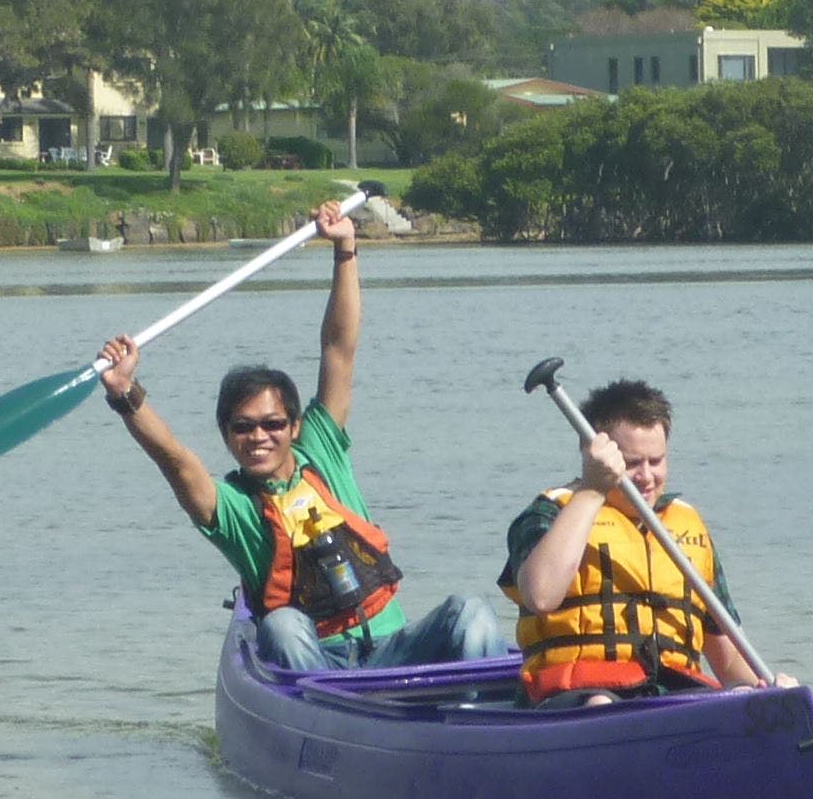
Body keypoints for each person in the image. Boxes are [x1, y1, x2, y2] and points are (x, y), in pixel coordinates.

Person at [100, 198, 511, 670]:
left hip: (393, 651)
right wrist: (125, 392)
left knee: (471, 611)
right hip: (320, 663)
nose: (259, 436)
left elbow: (339, 349)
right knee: (279, 624)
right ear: (227, 434)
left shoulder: (320, 446)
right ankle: (332, 716)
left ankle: (480, 723)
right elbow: (173, 458)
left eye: (273, 424)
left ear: (294, 426)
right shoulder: (232, 508)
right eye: (243, 426)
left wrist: (345, 250)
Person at [498, 378, 778, 702]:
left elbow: (728, 660)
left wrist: (769, 691)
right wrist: (592, 490)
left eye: (656, 461)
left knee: (745, 697)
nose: (646, 477)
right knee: (601, 705)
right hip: (579, 696)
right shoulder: (549, 514)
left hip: (671, 696)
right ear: (596, 455)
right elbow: (541, 595)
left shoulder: (686, 527)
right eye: (632, 464)